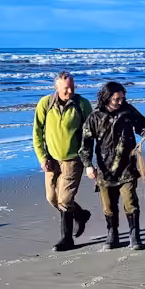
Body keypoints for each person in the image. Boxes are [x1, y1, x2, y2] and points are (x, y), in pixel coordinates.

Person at [79, 81, 145, 250]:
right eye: (116, 99)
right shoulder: (95, 117)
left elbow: (141, 123)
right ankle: (112, 234)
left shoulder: (128, 111)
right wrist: (88, 165)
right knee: (109, 206)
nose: (121, 101)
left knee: (130, 201)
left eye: (122, 97)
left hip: (127, 166)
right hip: (105, 170)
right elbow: (85, 143)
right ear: (107, 98)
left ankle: (134, 236)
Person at [32, 70, 93, 252]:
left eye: (72, 87)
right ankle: (81, 215)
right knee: (52, 199)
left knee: (65, 200)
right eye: (66, 88)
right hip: (51, 160)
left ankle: (67, 239)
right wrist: (42, 157)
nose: (70, 91)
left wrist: (88, 160)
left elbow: (90, 134)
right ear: (56, 87)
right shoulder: (45, 104)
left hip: (73, 159)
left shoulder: (82, 104)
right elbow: (37, 132)